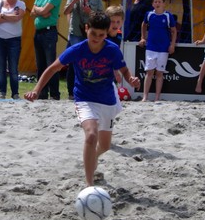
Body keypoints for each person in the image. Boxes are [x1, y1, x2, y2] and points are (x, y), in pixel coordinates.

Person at [24, 12, 140, 186]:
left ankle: (91, 157)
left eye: (101, 35)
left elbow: (123, 69)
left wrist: (130, 79)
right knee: (91, 135)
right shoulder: (77, 50)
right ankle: (89, 185)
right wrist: (36, 90)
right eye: (93, 33)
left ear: (106, 33)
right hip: (85, 99)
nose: (96, 38)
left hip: (107, 100)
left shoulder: (112, 50)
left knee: (105, 146)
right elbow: (52, 68)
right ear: (86, 29)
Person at [63, 0, 103, 98]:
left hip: (91, 33)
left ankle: (88, 89)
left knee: (90, 61)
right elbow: (65, 11)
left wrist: (90, 12)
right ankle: (72, 91)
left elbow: (101, 16)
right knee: (76, 60)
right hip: (75, 31)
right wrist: (74, 1)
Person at [29, 0, 62, 100]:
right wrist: (41, 12)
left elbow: (39, 11)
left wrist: (40, 11)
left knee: (51, 64)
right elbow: (32, 13)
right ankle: (42, 93)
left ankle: (54, 94)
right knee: (40, 64)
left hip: (49, 32)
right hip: (38, 32)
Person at [138, 0, 177, 102]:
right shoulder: (149, 14)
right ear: (152, 4)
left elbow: (174, 31)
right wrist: (143, 38)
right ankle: (145, 96)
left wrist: (172, 45)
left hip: (163, 49)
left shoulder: (168, 16)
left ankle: (157, 97)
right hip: (151, 47)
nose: (157, 3)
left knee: (159, 73)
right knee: (149, 72)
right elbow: (143, 25)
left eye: (160, 2)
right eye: (155, 2)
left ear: (164, 4)